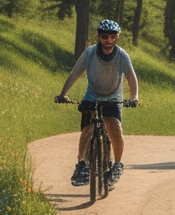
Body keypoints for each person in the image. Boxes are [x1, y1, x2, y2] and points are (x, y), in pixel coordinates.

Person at [55, 19, 139, 188]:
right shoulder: (90, 53)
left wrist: (134, 97)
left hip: (114, 97)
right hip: (92, 96)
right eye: (105, 36)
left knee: (114, 128)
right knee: (87, 129)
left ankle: (117, 165)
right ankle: (81, 165)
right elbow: (75, 74)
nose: (109, 40)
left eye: (113, 36)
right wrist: (63, 94)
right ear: (99, 37)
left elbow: (131, 76)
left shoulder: (122, 55)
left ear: (117, 37)